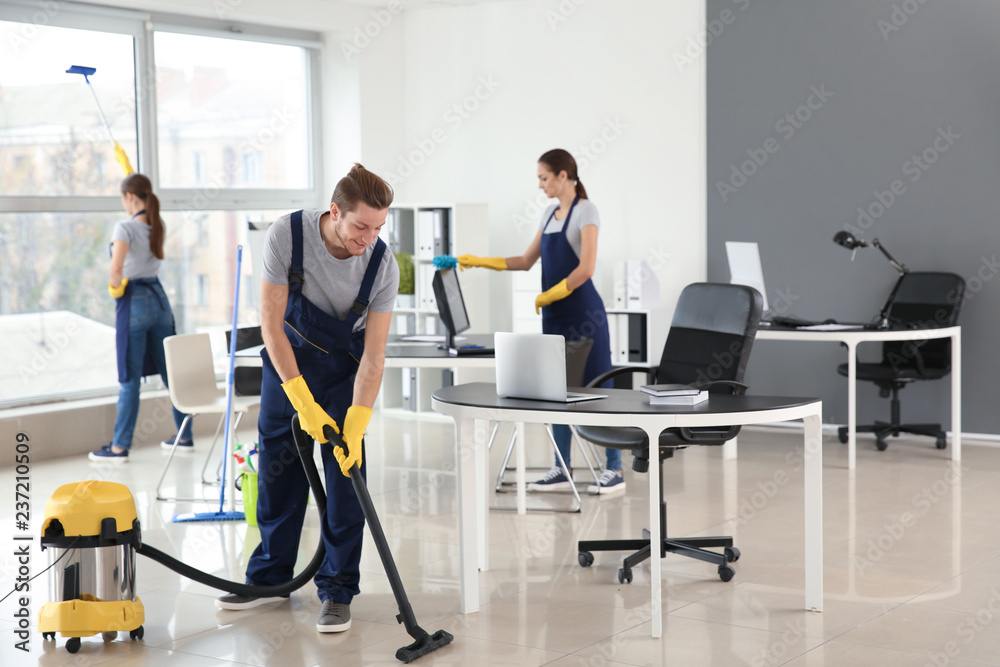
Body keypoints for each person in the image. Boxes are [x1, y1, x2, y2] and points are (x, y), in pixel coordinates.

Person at [214, 164, 398, 635]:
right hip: (288, 360)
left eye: (378, 228)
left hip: (345, 370)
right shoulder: (288, 235)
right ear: (335, 212)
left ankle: (337, 591)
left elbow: (374, 356)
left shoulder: (383, 265)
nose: (369, 239)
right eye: (361, 226)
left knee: (344, 479)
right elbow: (271, 326)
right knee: (278, 468)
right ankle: (271, 580)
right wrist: (299, 398)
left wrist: (355, 421)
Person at [458, 149, 624, 495]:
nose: (540, 185)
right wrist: (480, 261)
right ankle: (561, 467)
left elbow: (587, 268)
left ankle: (614, 469)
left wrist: (552, 293)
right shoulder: (549, 215)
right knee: (555, 392)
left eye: (544, 177)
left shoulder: (586, 211)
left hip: (584, 315)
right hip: (555, 317)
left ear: (564, 175)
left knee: (598, 389)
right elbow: (524, 260)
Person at [89, 174, 192, 462]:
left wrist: (114, 289)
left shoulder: (125, 227)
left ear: (130, 197)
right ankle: (184, 436)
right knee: (170, 371)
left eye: (123, 198)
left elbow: (116, 269)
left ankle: (120, 447)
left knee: (129, 377)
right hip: (159, 300)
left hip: (134, 299)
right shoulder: (156, 223)